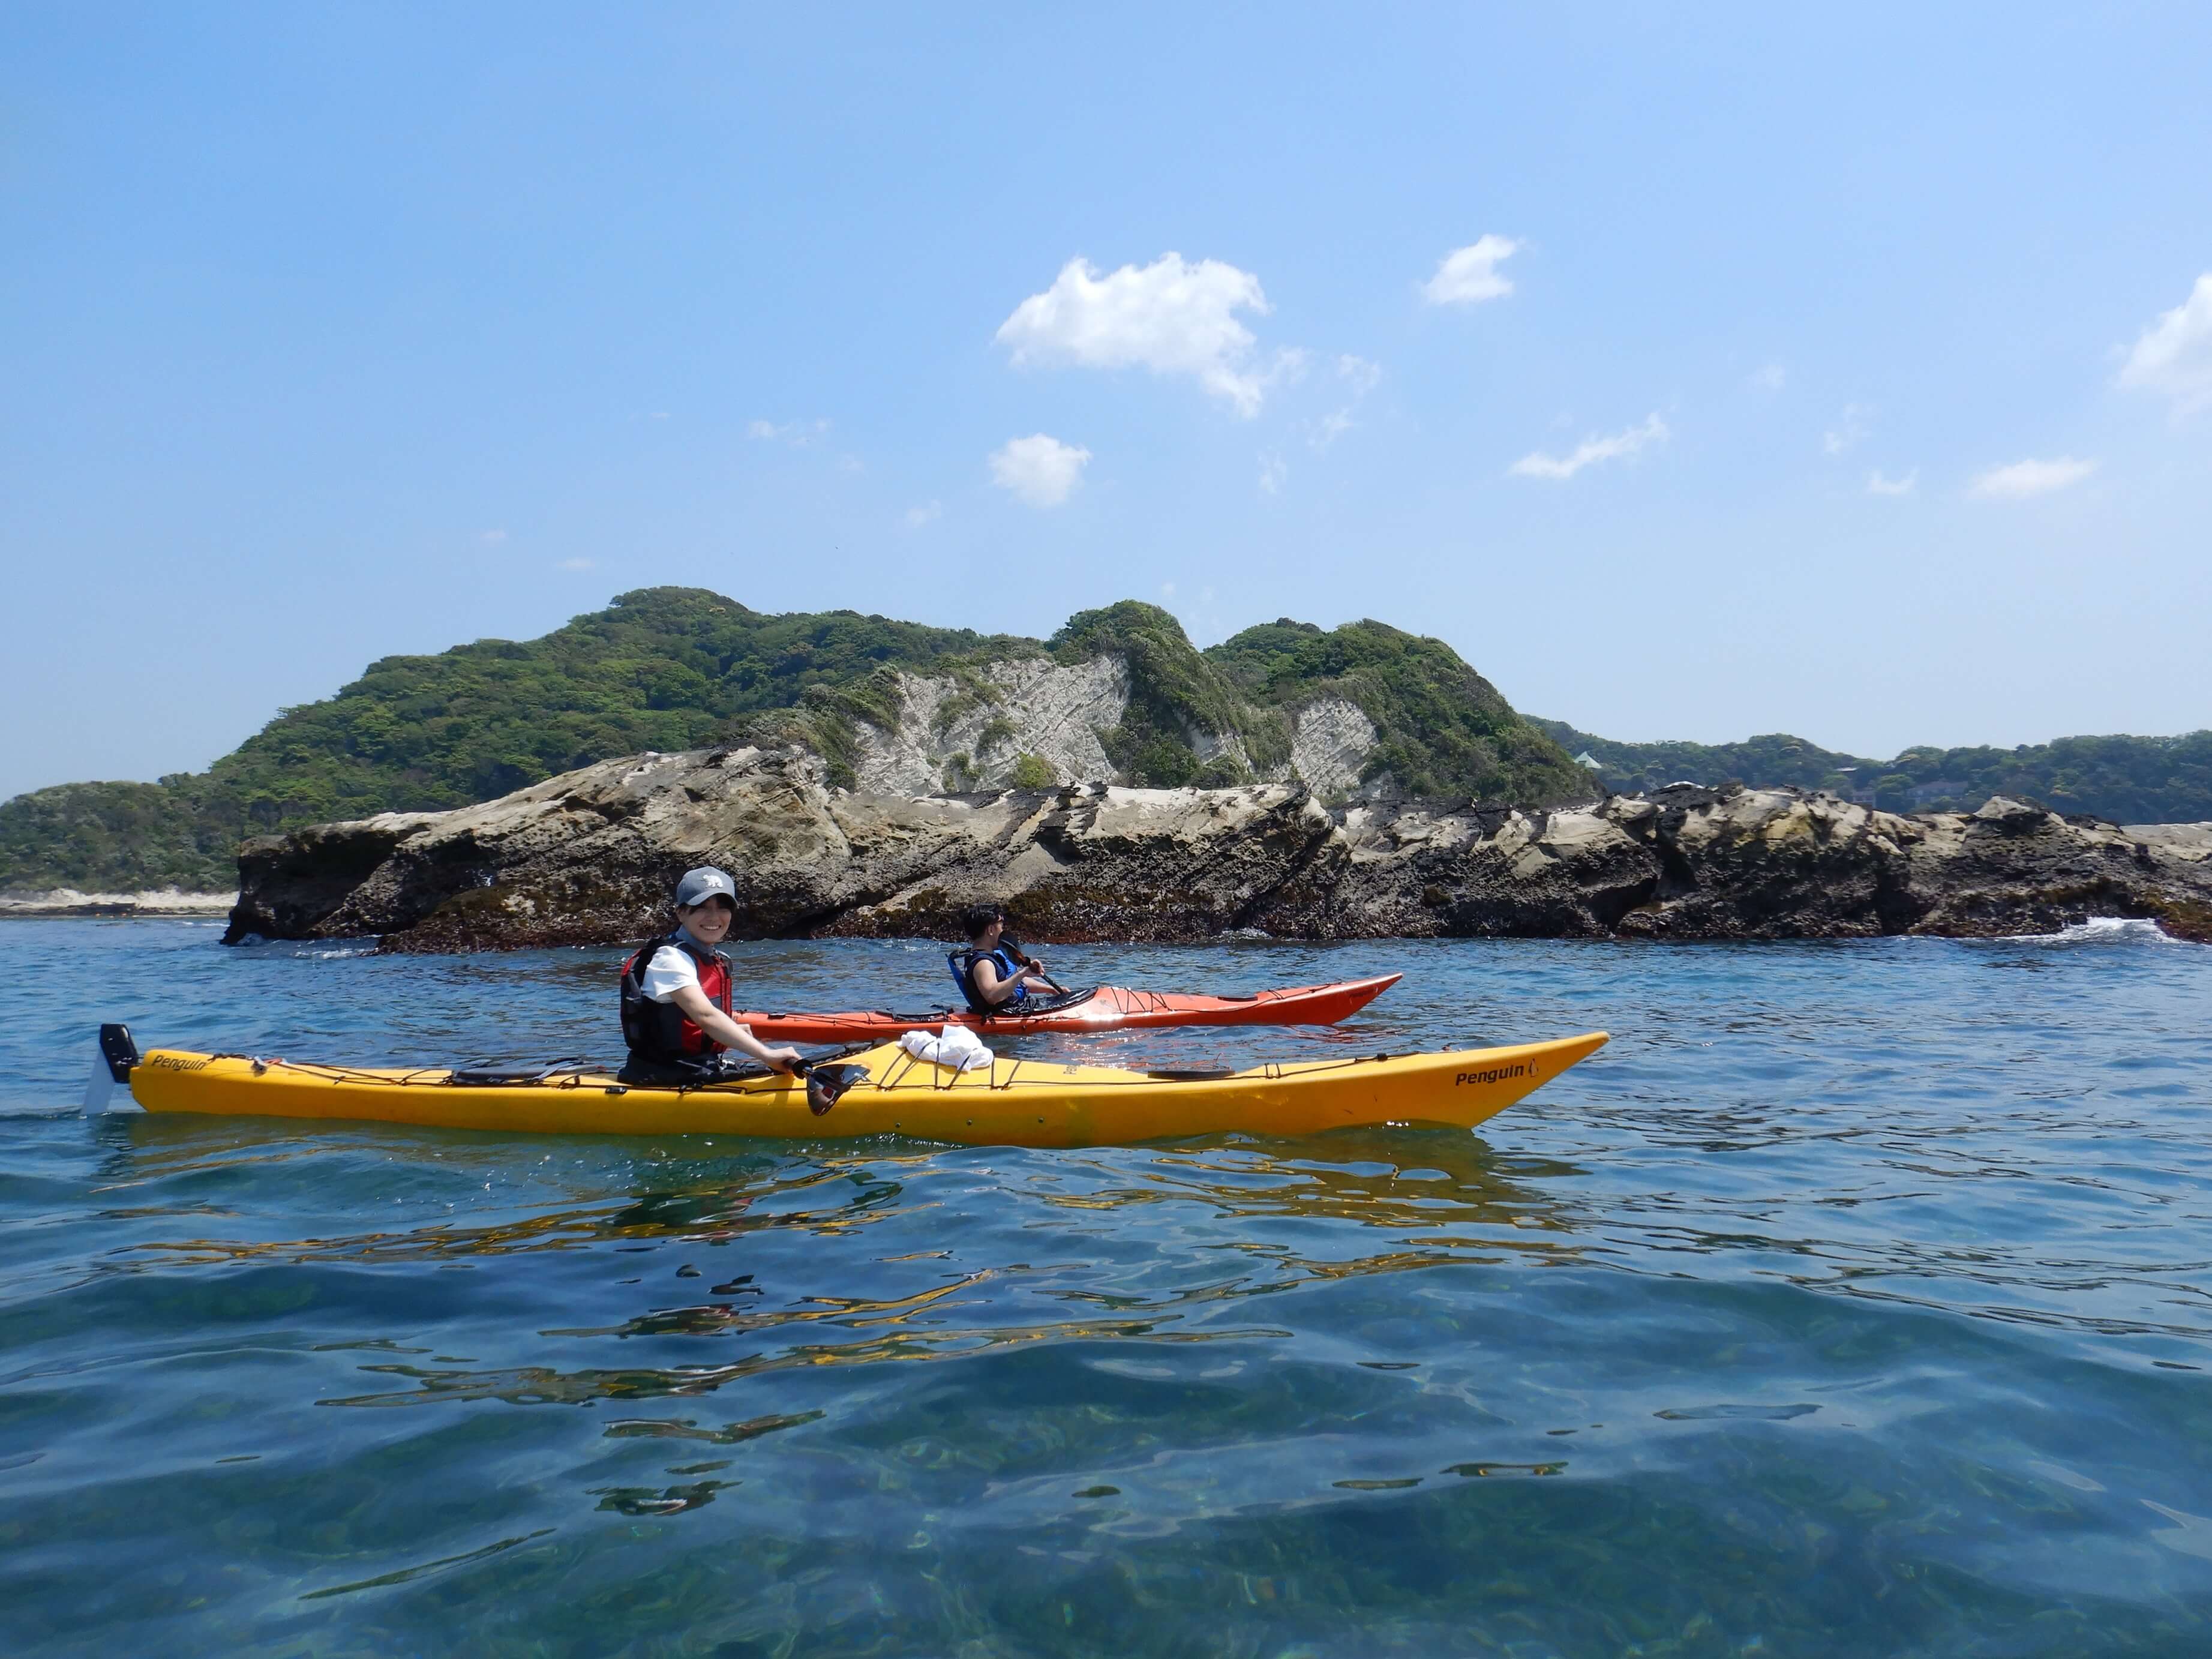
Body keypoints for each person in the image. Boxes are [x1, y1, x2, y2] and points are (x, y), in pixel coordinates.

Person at [619, 866, 804, 1082]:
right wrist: (767, 1055)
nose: (714, 917)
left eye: (723, 908)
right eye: (702, 908)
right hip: (662, 1074)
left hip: (699, 1067)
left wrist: (732, 1029)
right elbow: (706, 1017)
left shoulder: (716, 957)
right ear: (681, 912)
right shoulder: (669, 959)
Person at [947, 902, 1059, 1015]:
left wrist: (1051, 990)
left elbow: (1015, 983)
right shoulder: (984, 963)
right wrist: (1022, 973)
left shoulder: (993, 956)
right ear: (991, 929)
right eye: (1001, 926)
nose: (1003, 930)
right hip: (1011, 1014)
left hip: (1022, 1007)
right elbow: (992, 996)